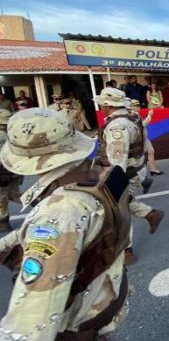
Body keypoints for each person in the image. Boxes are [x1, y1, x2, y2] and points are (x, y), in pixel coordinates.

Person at [0, 108, 130, 339]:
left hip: (79, 323)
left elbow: (32, 321)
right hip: (106, 296)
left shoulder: (58, 210)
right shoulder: (103, 173)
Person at [94, 88, 165, 264]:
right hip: (135, 169)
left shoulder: (118, 127)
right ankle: (150, 214)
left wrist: (110, 183)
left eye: (102, 104)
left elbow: (117, 162)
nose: (100, 107)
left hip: (125, 173)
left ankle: (126, 249)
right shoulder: (132, 116)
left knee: (118, 210)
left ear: (108, 105)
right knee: (122, 203)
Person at [130, 100, 163, 176]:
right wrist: (149, 116)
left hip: (144, 138)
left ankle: (153, 169)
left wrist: (148, 116)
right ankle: (135, 174)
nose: (139, 107)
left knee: (151, 151)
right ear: (132, 107)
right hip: (138, 139)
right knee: (138, 156)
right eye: (137, 105)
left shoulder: (136, 114)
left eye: (138, 105)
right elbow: (142, 125)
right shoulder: (132, 115)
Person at [0, 110, 21, 232]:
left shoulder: (1, 135)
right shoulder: (14, 134)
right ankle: (37, 202)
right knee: (13, 194)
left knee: (2, 196)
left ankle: (3, 221)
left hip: (3, 171)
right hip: (15, 170)